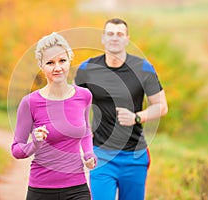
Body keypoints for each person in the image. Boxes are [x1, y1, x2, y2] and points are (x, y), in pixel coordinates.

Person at [74, 18, 168, 200]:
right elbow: (73, 103)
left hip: (134, 156)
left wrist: (137, 117)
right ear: (103, 38)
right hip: (101, 154)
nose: (114, 38)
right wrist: (84, 128)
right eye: (110, 34)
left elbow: (161, 106)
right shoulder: (87, 68)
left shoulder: (143, 68)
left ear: (127, 39)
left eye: (119, 34)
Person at [11, 32, 96, 200]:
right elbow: (16, 150)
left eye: (62, 61)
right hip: (41, 189)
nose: (57, 68)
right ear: (42, 67)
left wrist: (88, 154)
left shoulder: (84, 95)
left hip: (77, 187)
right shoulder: (30, 102)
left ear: (69, 60)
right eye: (50, 63)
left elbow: (85, 129)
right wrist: (34, 144)